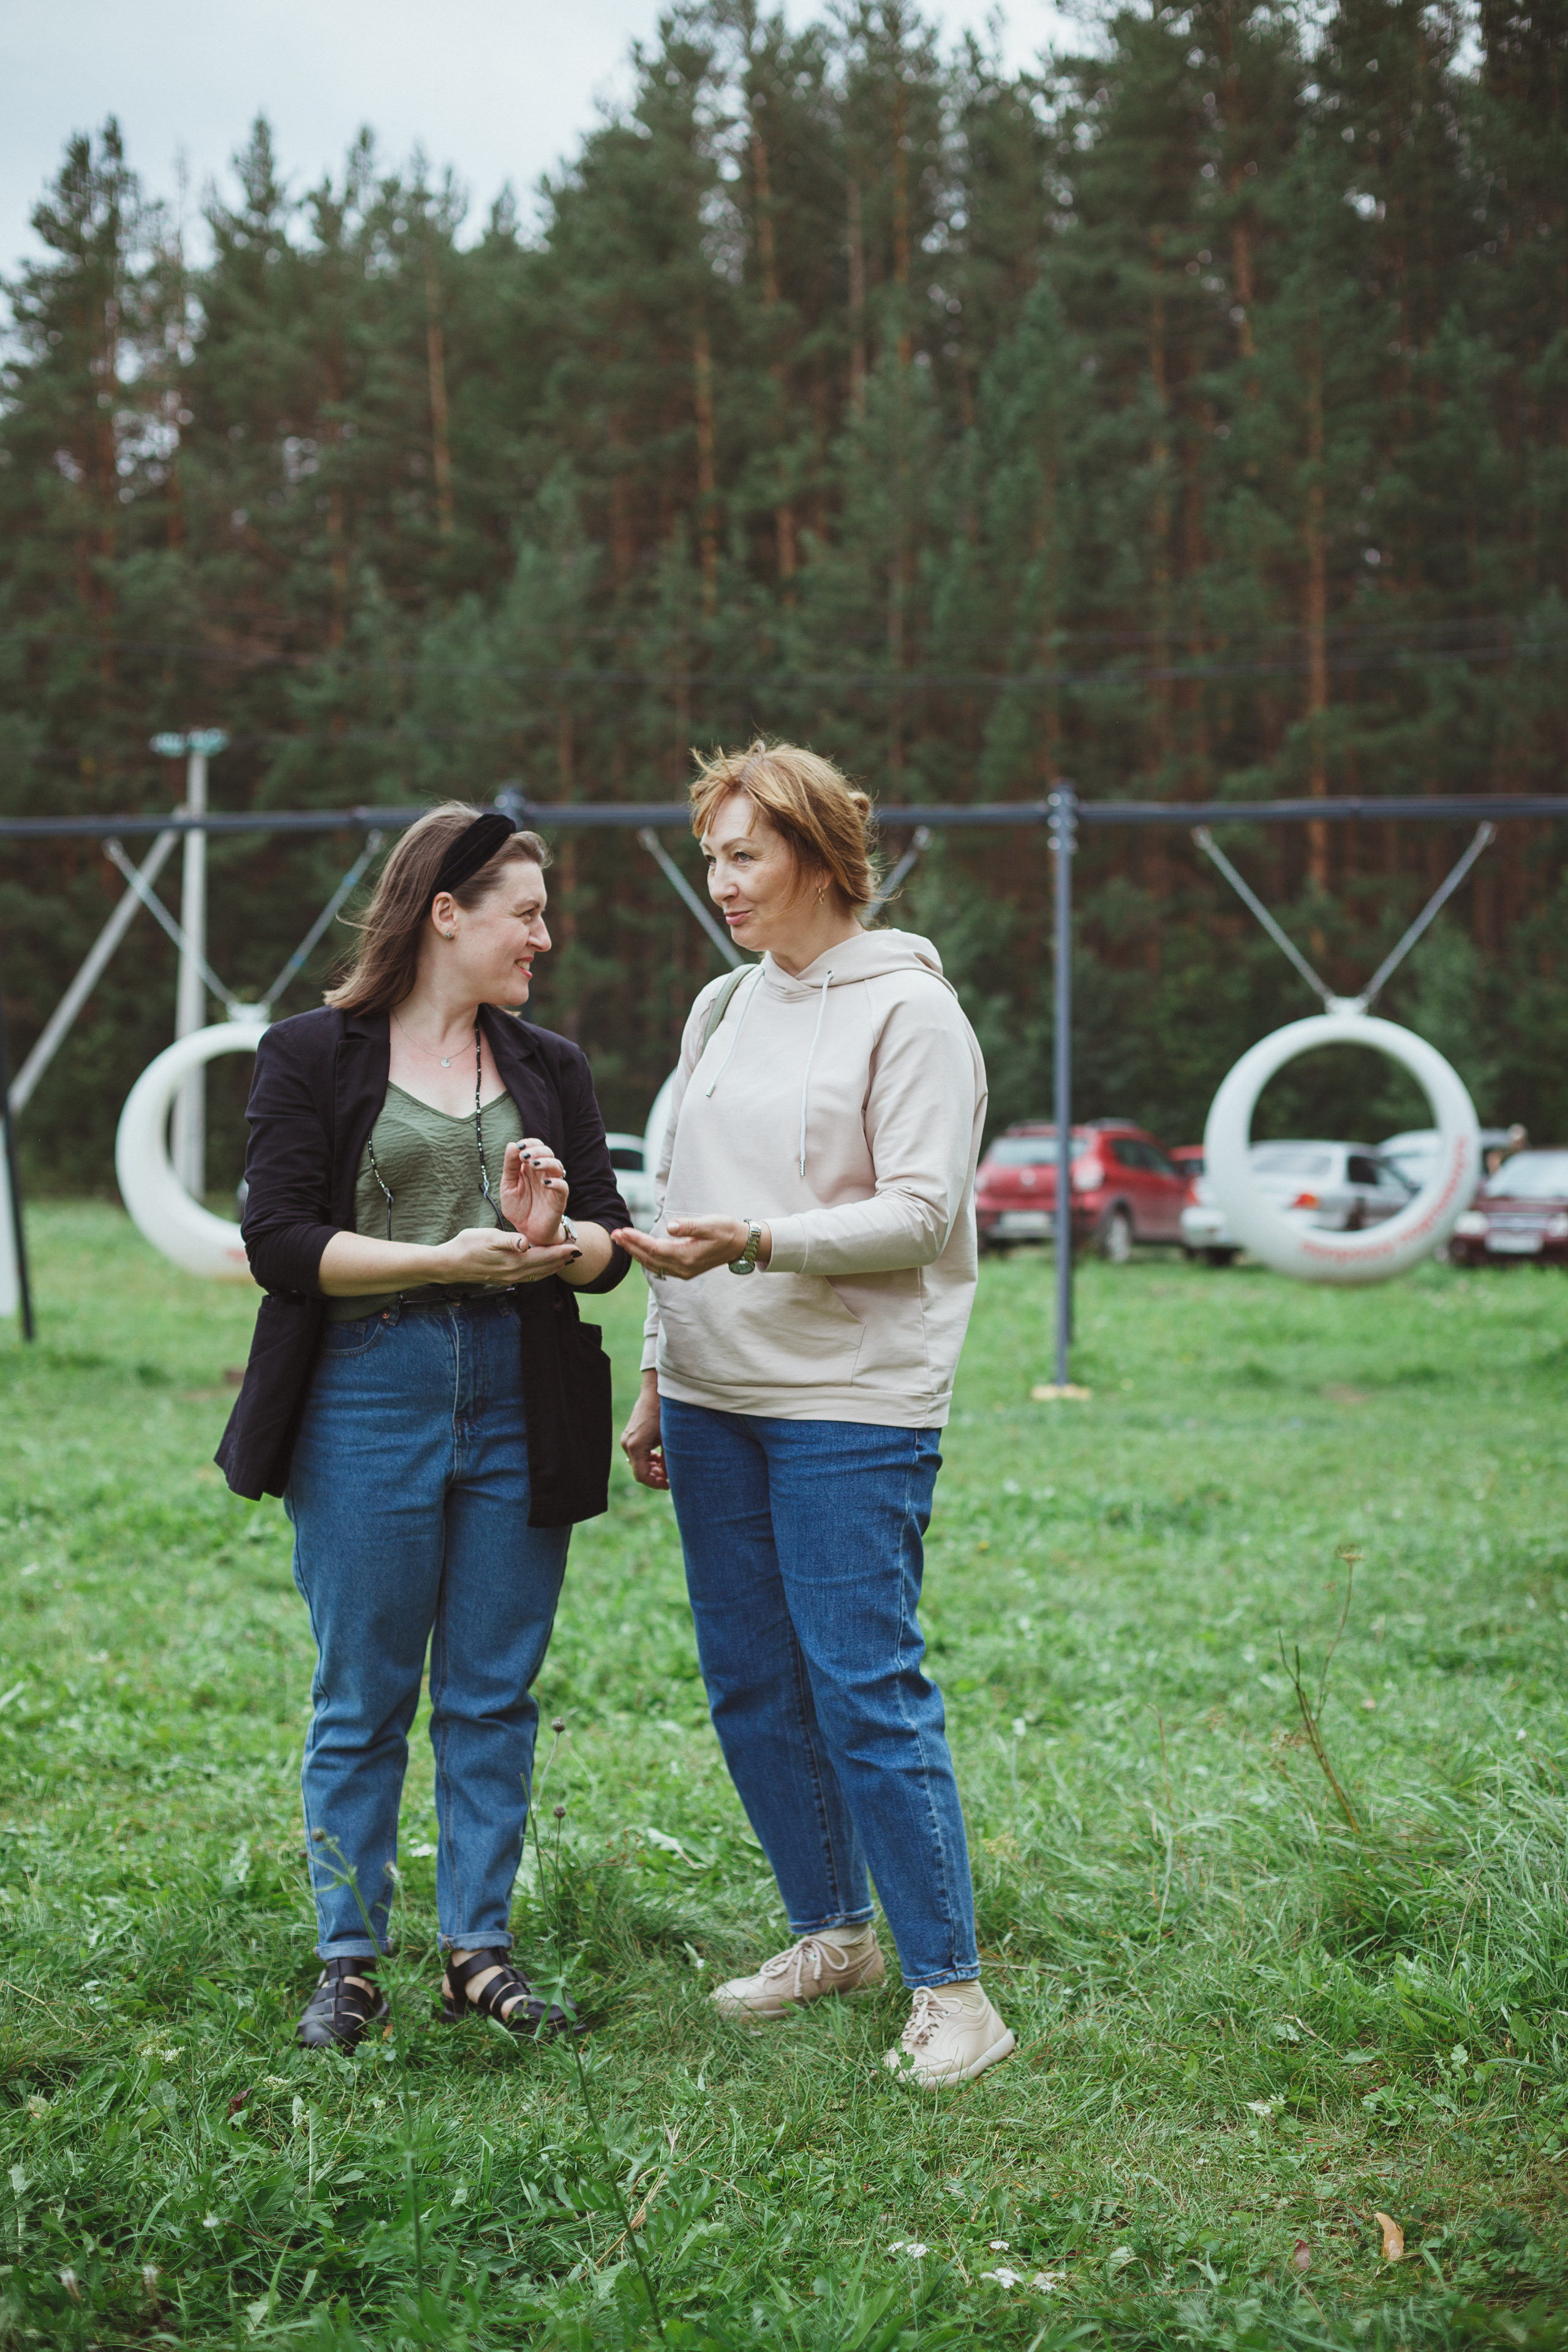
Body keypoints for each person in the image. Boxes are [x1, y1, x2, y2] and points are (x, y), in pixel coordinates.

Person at [615, 742, 1014, 2090]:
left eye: (744, 855)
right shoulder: (720, 1007)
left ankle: (953, 1990)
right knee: (747, 1679)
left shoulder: (911, 1014)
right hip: (716, 1392)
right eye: (710, 856)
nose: (719, 881)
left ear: (820, 857)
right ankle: (828, 1933)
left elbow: (921, 1213)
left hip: (850, 1400)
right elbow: (679, 1196)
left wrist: (760, 1243)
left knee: (862, 1685)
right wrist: (661, 1369)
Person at [217, 804, 630, 2051]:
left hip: (521, 1387)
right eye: (525, 913)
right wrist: (430, 1254)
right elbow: (277, 1242)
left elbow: (613, 1251)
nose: (543, 938)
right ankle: (350, 1957)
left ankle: (476, 1953)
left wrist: (555, 1241)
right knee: (364, 1691)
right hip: (364, 1390)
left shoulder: (548, 1066)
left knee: (495, 1691)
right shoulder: (311, 1053)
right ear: (444, 914)